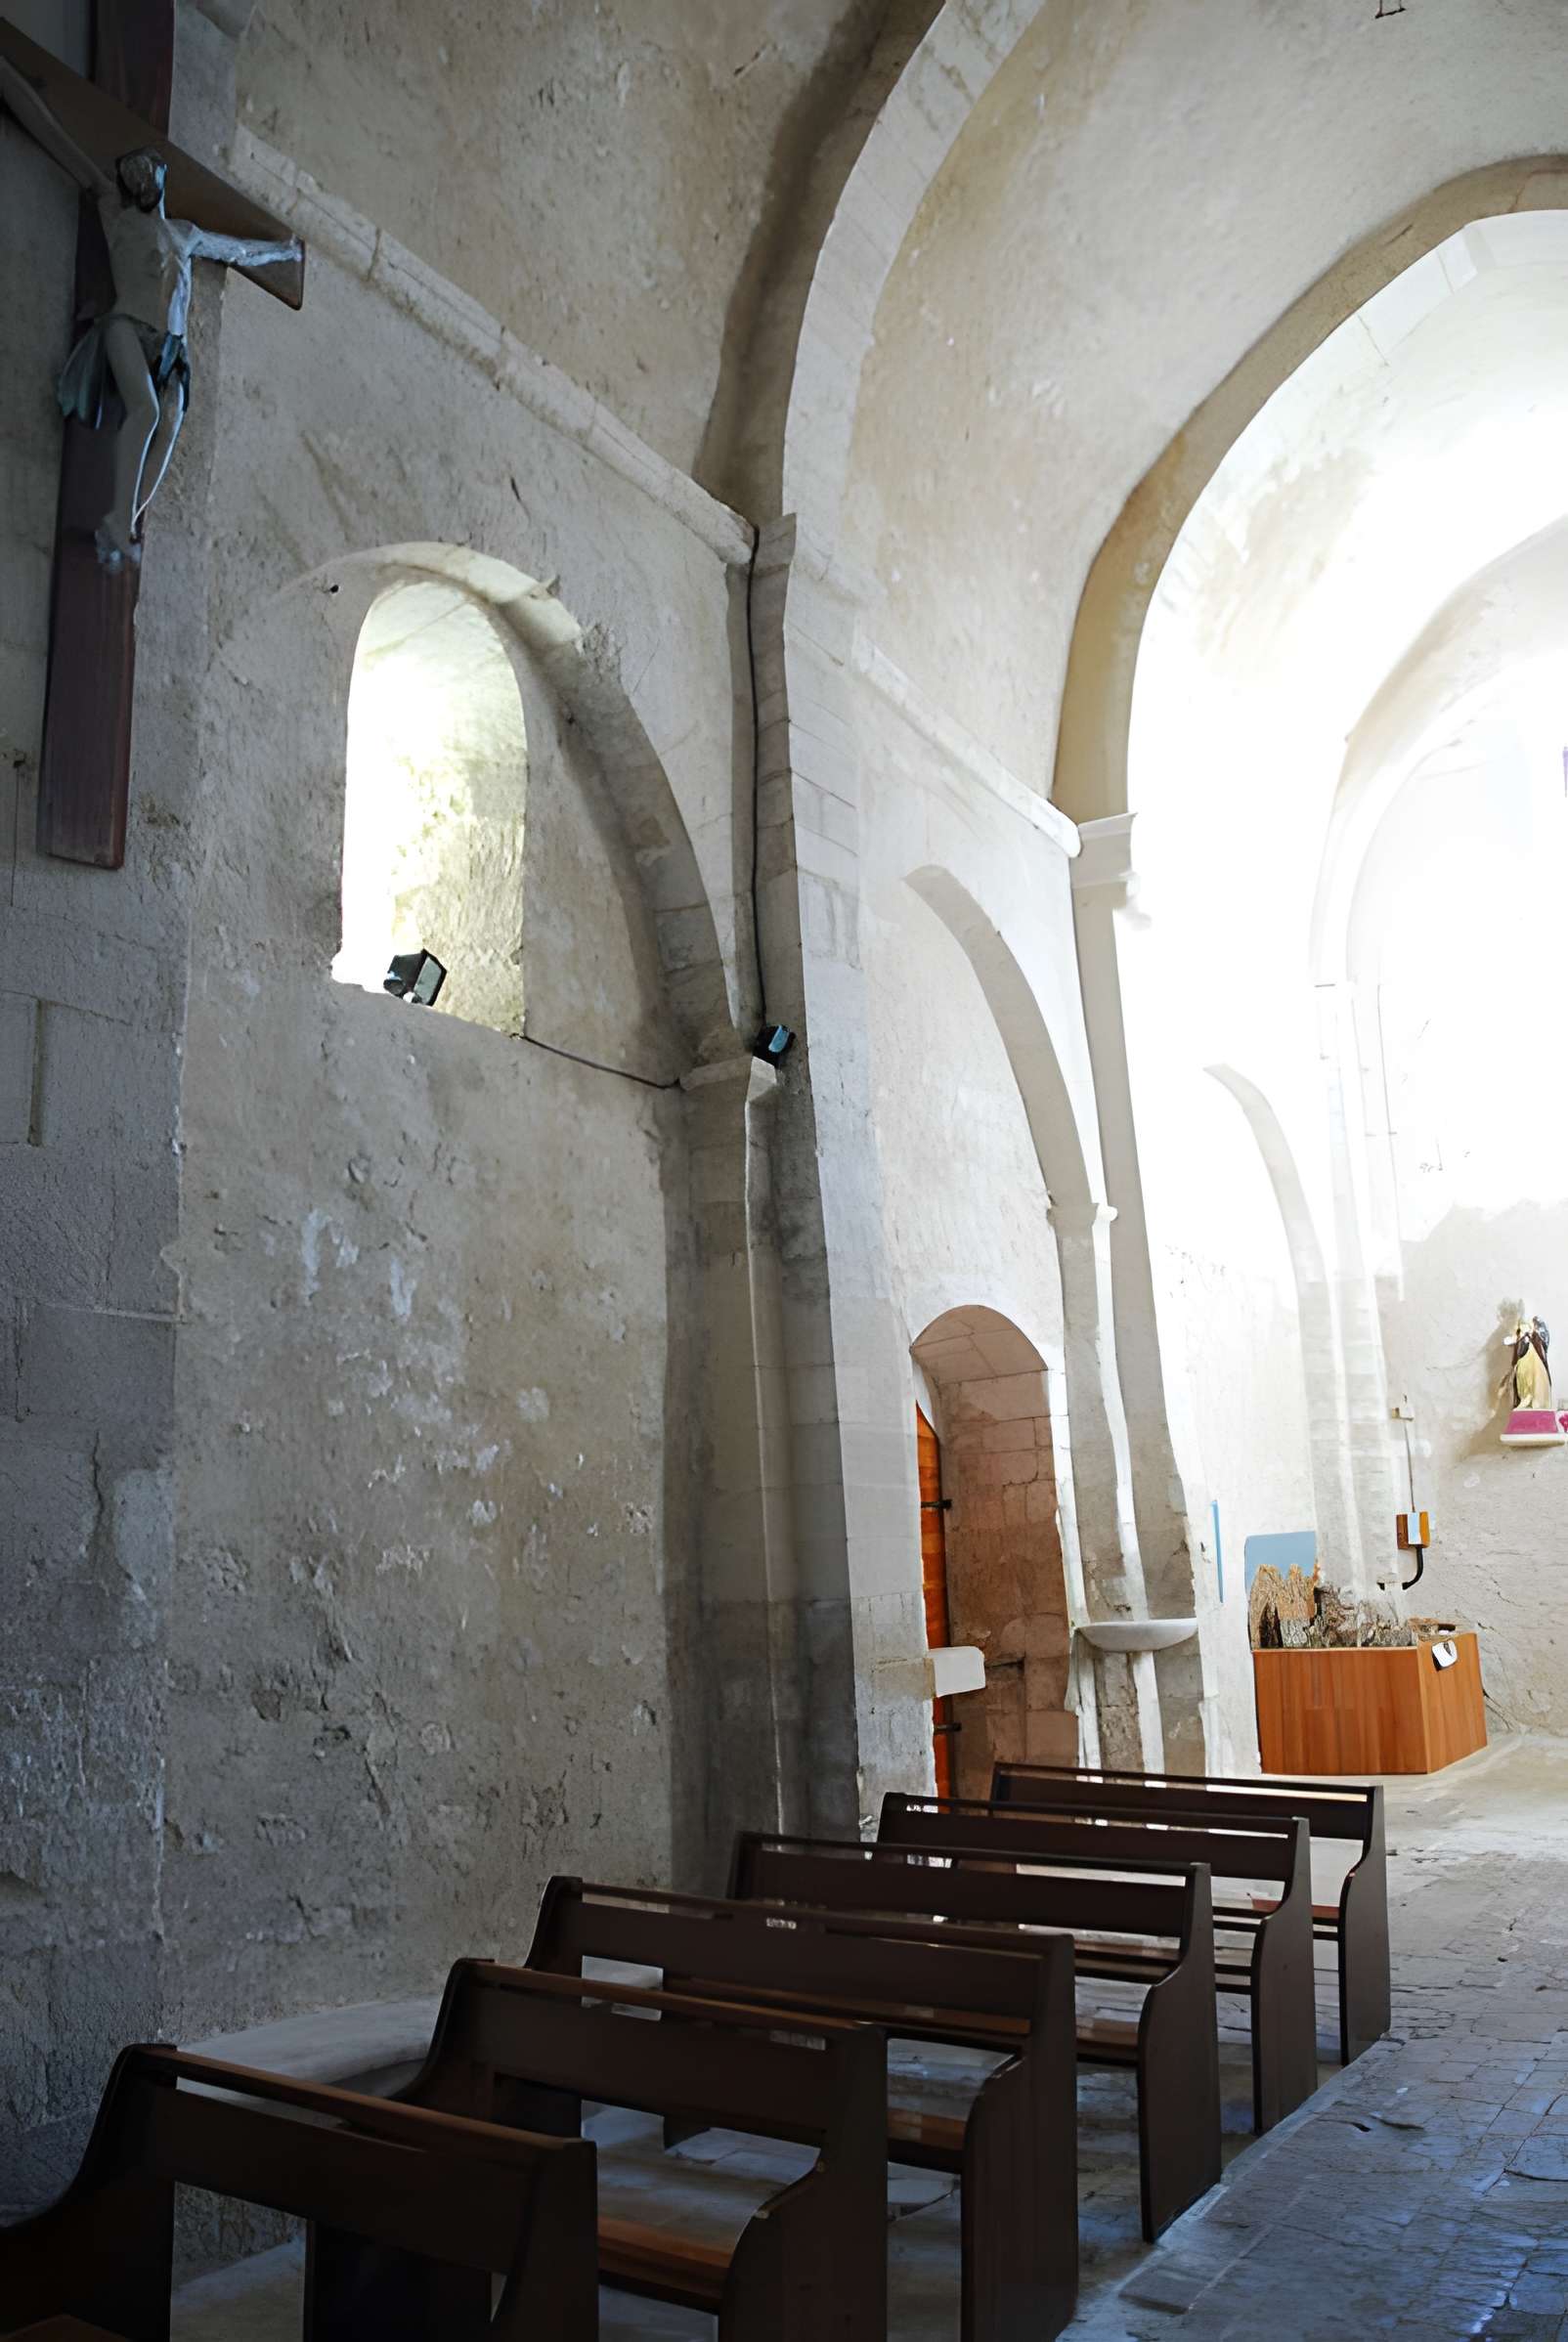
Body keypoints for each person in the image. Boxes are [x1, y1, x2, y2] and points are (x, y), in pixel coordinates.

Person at [1, 58, 301, 565]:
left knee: (171, 421)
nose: (139, 176)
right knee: (146, 410)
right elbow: (53, 134)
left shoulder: (186, 233)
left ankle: (124, 521)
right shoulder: (112, 212)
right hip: (125, 328)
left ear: (160, 177)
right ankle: (118, 521)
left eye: (145, 169)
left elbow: (239, 251)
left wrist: (285, 252)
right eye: (131, 173)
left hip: (172, 346)